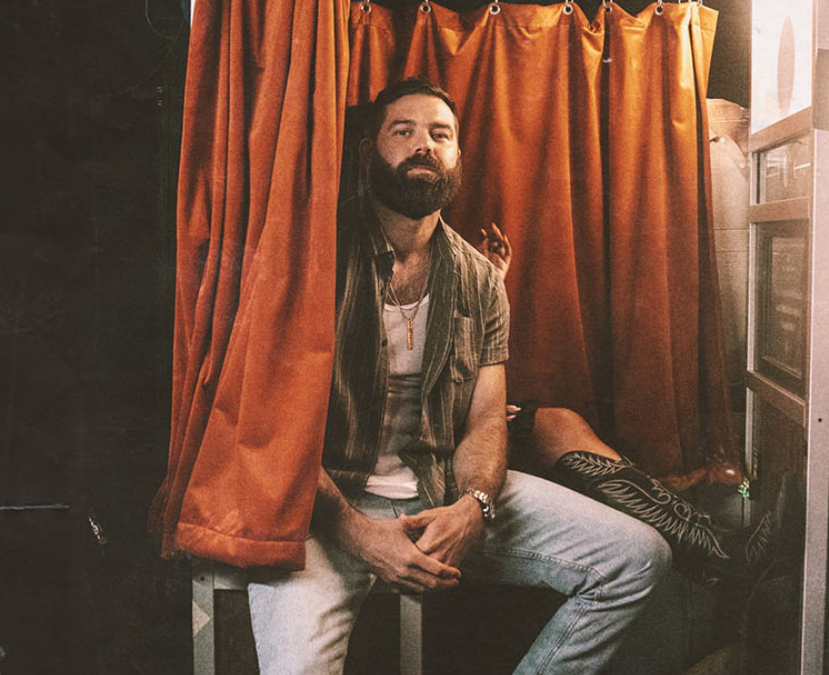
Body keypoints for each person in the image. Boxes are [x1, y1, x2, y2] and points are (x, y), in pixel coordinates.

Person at [244, 77, 671, 675]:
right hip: (324, 510)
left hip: (441, 491)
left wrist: (473, 506)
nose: (424, 144)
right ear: (368, 152)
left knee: (638, 559)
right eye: (404, 131)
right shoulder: (312, 257)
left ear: (457, 157)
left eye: (440, 134)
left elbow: (485, 419)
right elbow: (273, 427)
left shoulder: (479, 279)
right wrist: (357, 533)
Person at [475, 223, 799, 587]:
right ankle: (723, 556)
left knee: (558, 423)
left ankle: (716, 552)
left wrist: (491, 282)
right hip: (452, 444)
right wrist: (472, 414)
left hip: (472, 415)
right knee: (553, 427)